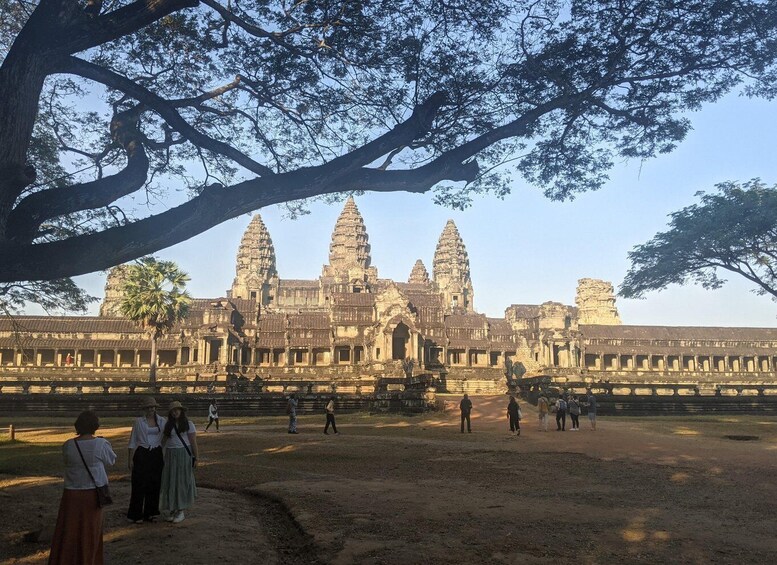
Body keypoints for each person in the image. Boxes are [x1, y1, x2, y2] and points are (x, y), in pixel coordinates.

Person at [48, 410, 116, 565]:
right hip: (92, 493)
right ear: (95, 426)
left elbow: (67, 462)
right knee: (89, 532)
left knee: (69, 531)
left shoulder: (68, 445)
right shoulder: (100, 444)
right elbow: (111, 460)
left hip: (71, 493)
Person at [127, 397, 166, 524]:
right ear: (145, 409)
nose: (151, 409)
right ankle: (136, 513)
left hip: (156, 453)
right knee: (139, 483)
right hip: (142, 452)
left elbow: (166, 438)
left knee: (155, 483)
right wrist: (130, 459)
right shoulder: (139, 422)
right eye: (148, 407)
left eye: (153, 407)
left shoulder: (162, 421)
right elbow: (133, 441)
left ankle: (151, 512)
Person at [160, 401, 198, 524]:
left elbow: (193, 442)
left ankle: (180, 509)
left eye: (177, 410)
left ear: (181, 411)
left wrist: (196, 457)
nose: (175, 412)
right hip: (171, 455)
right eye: (173, 410)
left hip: (183, 453)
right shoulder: (168, 425)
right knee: (171, 481)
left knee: (181, 480)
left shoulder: (188, 424)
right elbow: (163, 441)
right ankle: (172, 508)